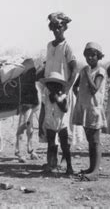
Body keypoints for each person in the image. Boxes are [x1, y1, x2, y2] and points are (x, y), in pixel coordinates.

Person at [39, 12, 82, 148]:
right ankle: (52, 161)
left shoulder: (67, 47)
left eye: (60, 27)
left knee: (64, 126)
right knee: (50, 125)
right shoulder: (49, 46)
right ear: (51, 28)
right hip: (50, 89)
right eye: (54, 27)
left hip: (62, 91)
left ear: (64, 28)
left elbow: (74, 69)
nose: (57, 30)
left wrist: (66, 90)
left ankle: (65, 161)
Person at [73, 42, 107, 181]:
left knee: (95, 141)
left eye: (93, 55)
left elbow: (94, 89)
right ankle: (91, 168)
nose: (90, 58)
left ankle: (95, 172)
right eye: (87, 55)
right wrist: (81, 100)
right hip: (85, 108)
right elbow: (75, 87)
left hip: (94, 109)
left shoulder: (100, 71)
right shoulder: (83, 70)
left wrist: (87, 74)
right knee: (90, 140)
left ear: (98, 56)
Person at [40, 71, 73, 175]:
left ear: (59, 86)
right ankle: (51, 164)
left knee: (65, 146)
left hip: (61, 124)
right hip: (49, 123)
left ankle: (69, 166)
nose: (51, 87)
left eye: (55, 85)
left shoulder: (63, 96)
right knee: (51, 145)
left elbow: (65, 109)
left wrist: (58, 99)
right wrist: (41, 125)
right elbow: (42, 111)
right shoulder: (45, 96)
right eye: (49, 85)